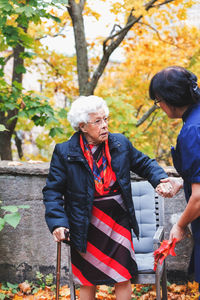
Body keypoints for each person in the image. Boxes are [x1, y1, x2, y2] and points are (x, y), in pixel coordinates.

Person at [43, 95, 172, 300]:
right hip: (85, 222)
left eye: (106, 119)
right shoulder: (65, 151)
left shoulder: (119, 143)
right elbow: (52, 192)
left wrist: (161, 180)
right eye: (98, 121)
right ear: (83, 126)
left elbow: (144, 163)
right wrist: (58, 223)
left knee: (123, 276)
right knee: (87, 279)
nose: (104, 125)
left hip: (117, 221)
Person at [149, 66, 200, 293]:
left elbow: (199, 199)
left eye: (157, 101)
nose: (158, 106)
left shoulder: (192, 131)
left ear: (169, 99)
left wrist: (179, 226)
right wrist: (184, 181)